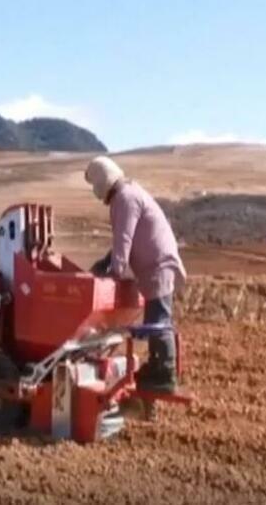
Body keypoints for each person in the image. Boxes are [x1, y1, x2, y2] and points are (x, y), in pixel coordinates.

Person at [85, 156, 186, 393]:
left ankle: (164, 374)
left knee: (159, 320)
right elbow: (123, 240)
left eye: (94, 184)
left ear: (102, 181)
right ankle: (159, 367)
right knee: (158, 318)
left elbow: (124, 240)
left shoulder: (125, 199)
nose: (94, 191)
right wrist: (105, 263)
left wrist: (114, 274)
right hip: (157, 264)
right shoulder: (128, 194)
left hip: (158, 265)